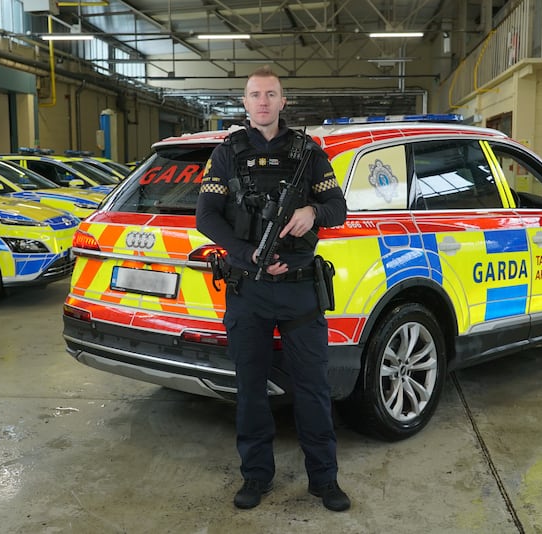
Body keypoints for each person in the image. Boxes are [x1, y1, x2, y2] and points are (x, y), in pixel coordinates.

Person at [196, 66, 350, 512]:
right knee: (250, 390)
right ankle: (256, 477)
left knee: (314, 390)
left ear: (283, 102)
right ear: (244, 103)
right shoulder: (226, 154)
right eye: (254, 95)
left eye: (271, 94)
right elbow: (207, 217)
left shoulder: (308, 151)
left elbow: (338, 207)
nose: (262, 101)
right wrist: (248, 256)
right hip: (249, 289)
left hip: (301, 291)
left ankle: (324, 480)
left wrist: (311, 212)